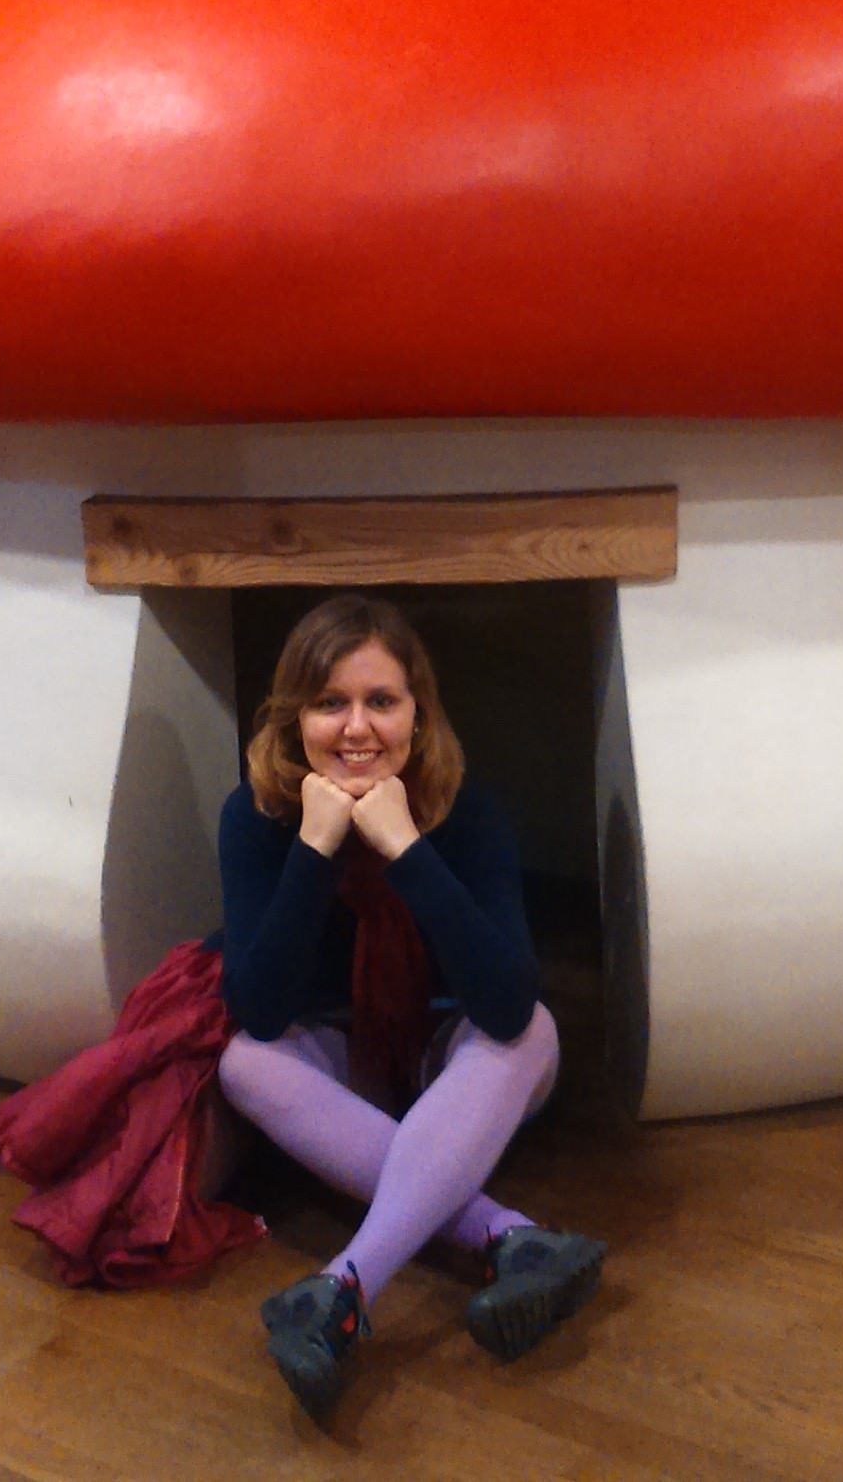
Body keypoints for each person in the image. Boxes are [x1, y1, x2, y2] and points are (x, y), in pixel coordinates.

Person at [217, 592, 606, 1419]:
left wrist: (405, 848)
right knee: (244, 1063)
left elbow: (506, 1005)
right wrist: (316, 846)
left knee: (533, 1032)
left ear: (416, 713)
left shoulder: (469, 811)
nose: (356, 727)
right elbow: (260, 1009)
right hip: (343, 1059)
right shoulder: (255, 817)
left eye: (381, 701)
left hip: (457, 1058)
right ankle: (509, 1236)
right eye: (329, 702)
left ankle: (344, 1284)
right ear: (294, 718)